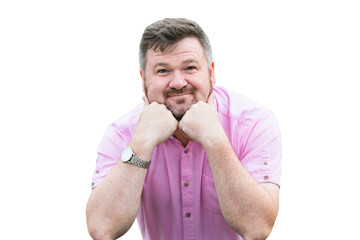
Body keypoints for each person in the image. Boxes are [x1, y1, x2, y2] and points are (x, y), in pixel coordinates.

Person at [86, 18, 281, 240]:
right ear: (143, 81)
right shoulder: (122, 133)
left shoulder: (254, 123)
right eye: (162, 71)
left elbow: (257, 228)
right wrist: (141, 142)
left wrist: (215, 139)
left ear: (211, 73)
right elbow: (101, 229)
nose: (178, 82)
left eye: (190, 67)